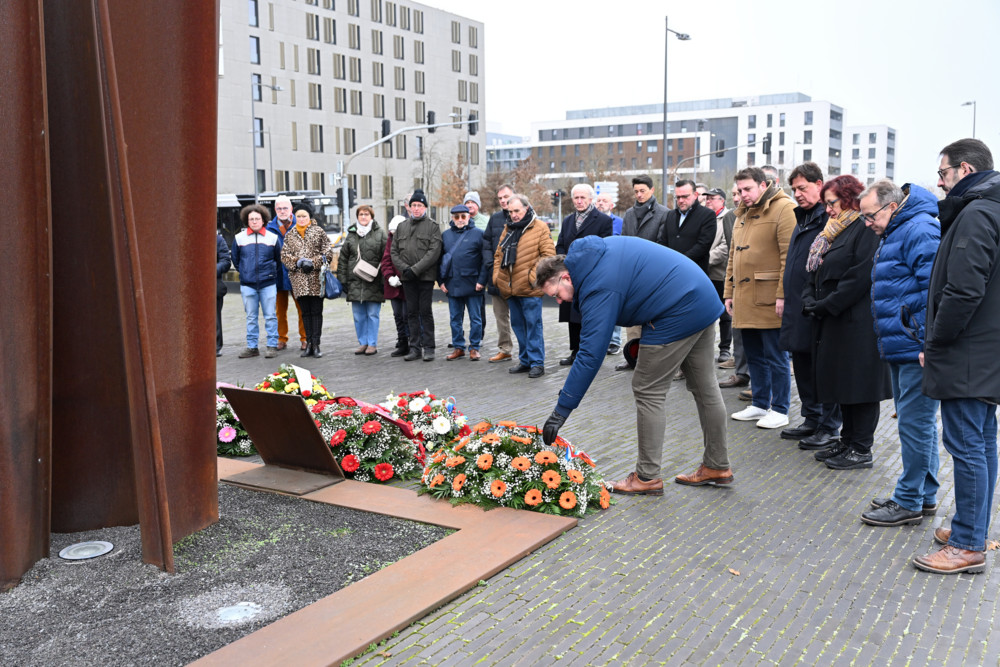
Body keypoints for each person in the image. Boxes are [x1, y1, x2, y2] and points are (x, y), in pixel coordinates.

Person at [536, 236, 730, 493]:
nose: (559, 302)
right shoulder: (594, 256)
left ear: (566, 278)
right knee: (705, 386)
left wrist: (561, 410)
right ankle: (717, 465)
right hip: (700, 296)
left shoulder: (597, 286)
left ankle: (647, 478)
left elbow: (590, 354)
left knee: (647, 389)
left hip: (677, 309)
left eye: (556, 295)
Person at [914, 138, 1000, 575]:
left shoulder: (978, 213)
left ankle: (967, 543)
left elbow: (963, 289)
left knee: (967, 445)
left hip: (967, 352)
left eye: (943, 174)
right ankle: (973, 526)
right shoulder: (992, 208)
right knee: (983, 442)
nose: (941, 183)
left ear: (964, 171)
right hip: (984, 350)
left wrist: (936, 341)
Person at [858, 179, 941, 527]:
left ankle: (908, 500)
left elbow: (933, 291)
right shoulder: (900, 229)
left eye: (869, 215)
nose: (867, 223)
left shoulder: (918, 229)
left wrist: (925, 343)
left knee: (914, 424)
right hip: (903, 341)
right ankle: (925, 493)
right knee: (919, 423)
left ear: (892, 207)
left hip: (913, 346)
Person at [803, 175, 891, 469]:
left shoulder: (864, 230)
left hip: (857, 322)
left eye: (832, 203)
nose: (827, 209)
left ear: (849, 199)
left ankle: (861, 448)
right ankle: (847, 440)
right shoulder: (834, 231)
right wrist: (809, 299)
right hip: (834, 320)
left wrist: (826, 305)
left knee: (861, 386)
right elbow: (814, 272)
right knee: (843, 382)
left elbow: (859, 277)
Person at [725, 167, 795, 428]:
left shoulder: (784, 208)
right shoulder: (742, 213)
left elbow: (789, 257)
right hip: (744, 297)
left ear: (763, 185)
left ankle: (780, 408)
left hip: (769, 298)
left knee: (776, 357)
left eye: (748, 189)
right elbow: (733, 257)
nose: (742, 195)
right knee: (753, 354)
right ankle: (759, 403)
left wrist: (783, 295)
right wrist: (728, 293)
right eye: (740, 190)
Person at [778, 162, 842, 450]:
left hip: (817, 305)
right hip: (797, 303)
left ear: (819, 185)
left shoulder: (828, 218)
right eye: (794, 189)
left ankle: (829, 426)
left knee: (822, 367)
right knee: (802, 362)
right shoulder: (801, 218)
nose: (798, 194)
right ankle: (811, 417)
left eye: (802, 188)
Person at [494, 194, 555, 378]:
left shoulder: (540, 227)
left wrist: (531, 277)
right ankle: (525, 360)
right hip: (510, 287)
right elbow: (498, 255)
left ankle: (537, 363)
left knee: (533, 326)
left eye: (517, 211)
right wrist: (498, 276)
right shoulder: (508, 228)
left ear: (526, 209)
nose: (513, 215)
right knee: (518, 326)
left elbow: (548, 255)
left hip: (530, 288)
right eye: (510, 211)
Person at [555, 184, 613, 367]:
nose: (579, 201)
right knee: (572, 317)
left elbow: (605, 247)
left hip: (591, 275)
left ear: (590, 199)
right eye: (576, 198)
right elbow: (560, 244)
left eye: (583, 198)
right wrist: (564, 265)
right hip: (570, 276)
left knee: (589, 316)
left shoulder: (603, 220)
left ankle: (590, 353)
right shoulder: (567, 220)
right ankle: (575, 351)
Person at [616, 175, 669, 371]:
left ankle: (652, 359)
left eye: (643, 191)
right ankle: (632, 356)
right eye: (636, 191)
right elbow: (624, 241)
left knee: (652, 318)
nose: (639, 195)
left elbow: (662, 243)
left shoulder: (664, 213)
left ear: (652, 190)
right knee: (631, 317)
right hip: (631, 273)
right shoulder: (629, 214)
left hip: (652, 272)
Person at [391, 189, 442, 361]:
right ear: (409, 207)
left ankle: (429, 348)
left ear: (425, 207)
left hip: (425, 278)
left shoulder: (433, 227)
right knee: (411, 313)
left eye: (420, 205)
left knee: (425, 312)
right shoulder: (401, 227)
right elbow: (394, 251)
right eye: (414, 205)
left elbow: (433, 252)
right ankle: (414, 348)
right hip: (407, 277)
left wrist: (415, 269)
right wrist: (405, 269)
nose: (416, 208)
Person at [279, 202, 333, 358]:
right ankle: (308, 343)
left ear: (310, 217)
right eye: (298, 216)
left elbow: (328, 253)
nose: (301, 219)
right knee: (305, 313)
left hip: (316, 279)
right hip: (299, 280)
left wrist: (313, 262)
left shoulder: (319, 231)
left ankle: (316, 344)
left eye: (304, 216)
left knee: (316, 312)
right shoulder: (290, 234)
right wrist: (297, 262)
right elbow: (284, 256)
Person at [232, 204, 282, 359]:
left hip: (268, 283)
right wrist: (246, 273)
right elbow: (236, 259)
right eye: (251, 219)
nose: (254, 221)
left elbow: (278, 260)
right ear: (247, 220)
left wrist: (270, 274)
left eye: (257, 219)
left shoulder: (272, 238)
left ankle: (272, 345)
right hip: (248, 285)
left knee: (271, 316)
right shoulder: (239, 238)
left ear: (263, 220)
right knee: (251, 317)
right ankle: (252, 347)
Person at [337, 205, 386, 356]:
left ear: (372, 216)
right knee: (358, 316)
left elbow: (386, 258)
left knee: (372, 314)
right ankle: (362, 342)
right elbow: (343, 259)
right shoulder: (351, 234)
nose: (363, 217)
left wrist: (384, 280)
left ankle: (372, 344)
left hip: (374, 281)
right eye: (361, 214)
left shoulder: (380, 234)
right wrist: (343, 279)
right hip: (355, 281)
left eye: (366, 214)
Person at [440, 204, 487, 361]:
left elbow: (485, 260)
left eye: (463, 216)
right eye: (456, 217)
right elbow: (440, 260)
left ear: (469, 217)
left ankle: (474, 347)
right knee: (455, 318)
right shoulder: (445, 235)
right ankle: (458, 347)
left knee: (475, 318)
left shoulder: (479, 234)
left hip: (473, 283)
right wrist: (441, 281)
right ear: (452, 218)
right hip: (453, 283)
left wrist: (482, 281)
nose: (460, 220)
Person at [267, 195, 307, 351]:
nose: (282, 211)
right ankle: (281, 338)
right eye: (279, 208)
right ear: (275, 210)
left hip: (298, 274)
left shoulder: (301, 225)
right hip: (277, 274)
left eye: (285, 208)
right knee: (279, 310)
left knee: (302, 308)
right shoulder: (269, 228)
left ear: (291, 209)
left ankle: (305, 338)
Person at [482, 184, 515, 363]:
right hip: (496, 276)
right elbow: (486, 243)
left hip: (516, 276)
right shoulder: (494, 219)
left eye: (506, 197)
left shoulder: (523, 216)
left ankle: (527, 352)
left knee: (520, 317)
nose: (503, 200)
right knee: (500, 316)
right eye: (500, 198)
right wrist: (490, 265)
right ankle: (505, 349)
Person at [658, 180, 717, 274]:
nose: (681, 200)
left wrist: (679, 261)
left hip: (695, 272)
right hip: (671, 271)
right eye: (678, 197)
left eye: (685, 196)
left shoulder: (707, 215)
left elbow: (703, 245)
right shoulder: (670, 215)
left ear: (695, 195)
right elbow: (663, 241)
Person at [705, 188, 734, 364]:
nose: (708, 201)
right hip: (704, 274)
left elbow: (725, 248)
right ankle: (706, 349)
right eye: (706, 199)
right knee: (705, 313)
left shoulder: (727, 218)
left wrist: (703, 259)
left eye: (712, 198)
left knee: (725, 314)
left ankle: (724, 349)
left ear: (722, 200)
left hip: (719, 274)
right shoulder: (704, 218)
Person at [594, 191, 624, 354]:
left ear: (612, 205)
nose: (600, 203)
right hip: (595, 269)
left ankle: (614, 341)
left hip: (614, 268)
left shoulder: (619, 222)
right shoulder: (590, 222)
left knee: (614, 303)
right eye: (598, 200)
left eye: (604, 201)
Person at [381, 215, 410, 357]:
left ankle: (412, 342)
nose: (392, 235)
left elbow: (409, 260)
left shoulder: (409, 240)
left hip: (406, 283)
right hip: (393, 285)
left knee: (407, 315)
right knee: (398, 315)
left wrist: (402, 276)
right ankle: (402, 342)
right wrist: (390, 276)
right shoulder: (390, 241)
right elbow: (386, 260)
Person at [216, 230, 231, 357]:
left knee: (214, 317)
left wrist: (211, 270)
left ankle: (215, 346)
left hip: (213, 284)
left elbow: (226, 261)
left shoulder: (218, 240)